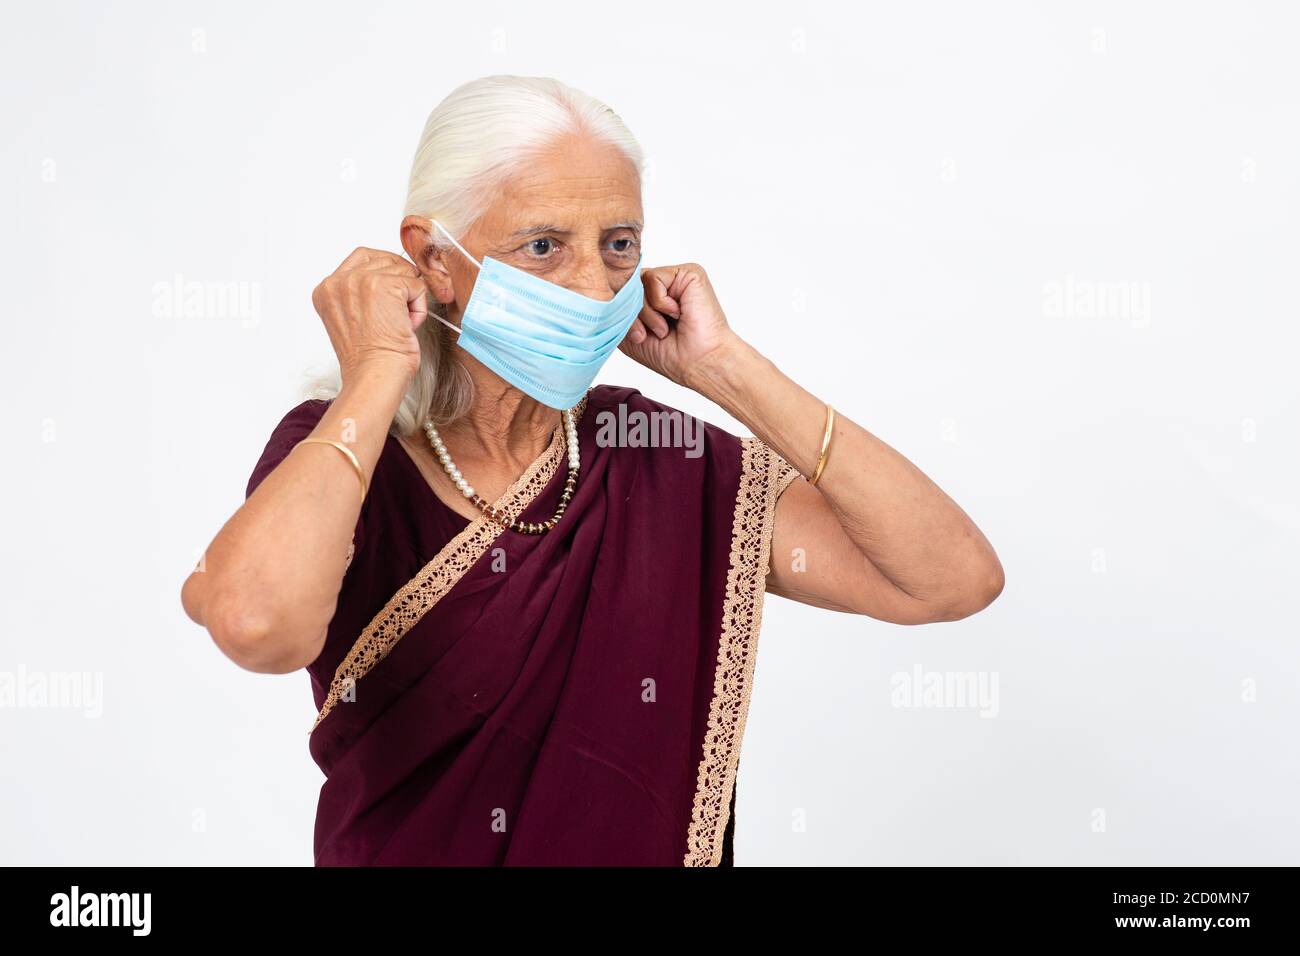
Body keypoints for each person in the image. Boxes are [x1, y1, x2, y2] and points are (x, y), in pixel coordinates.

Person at [181, 75, 1004, 866]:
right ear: (434, 259)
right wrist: (375, 372)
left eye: (618, 246)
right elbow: (257, 626)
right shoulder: (346, 452)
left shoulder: (653, 450)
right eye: (544, 247)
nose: (592, 286)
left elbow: (948, 580)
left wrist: (724, 368)